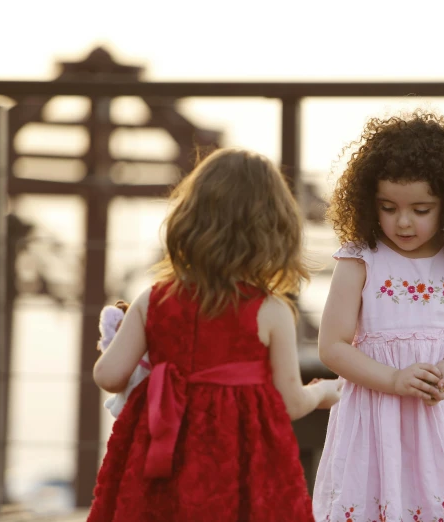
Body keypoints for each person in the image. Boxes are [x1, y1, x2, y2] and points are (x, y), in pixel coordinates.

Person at [87, 148, 342, 521]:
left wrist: (120, 341)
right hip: (239, 465)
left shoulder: (154, 299)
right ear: (273, 230)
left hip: (162, 453)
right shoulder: (271, 311)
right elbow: (290, 403)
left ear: (188, 220)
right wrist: (323, 391)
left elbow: (108, 376)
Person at [313, 110, 444, 522]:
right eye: (388, 207)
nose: (403, 222)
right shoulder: (359, 260)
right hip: (376, 418)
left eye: (421, 209)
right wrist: (393, 379)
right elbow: (331, 346)